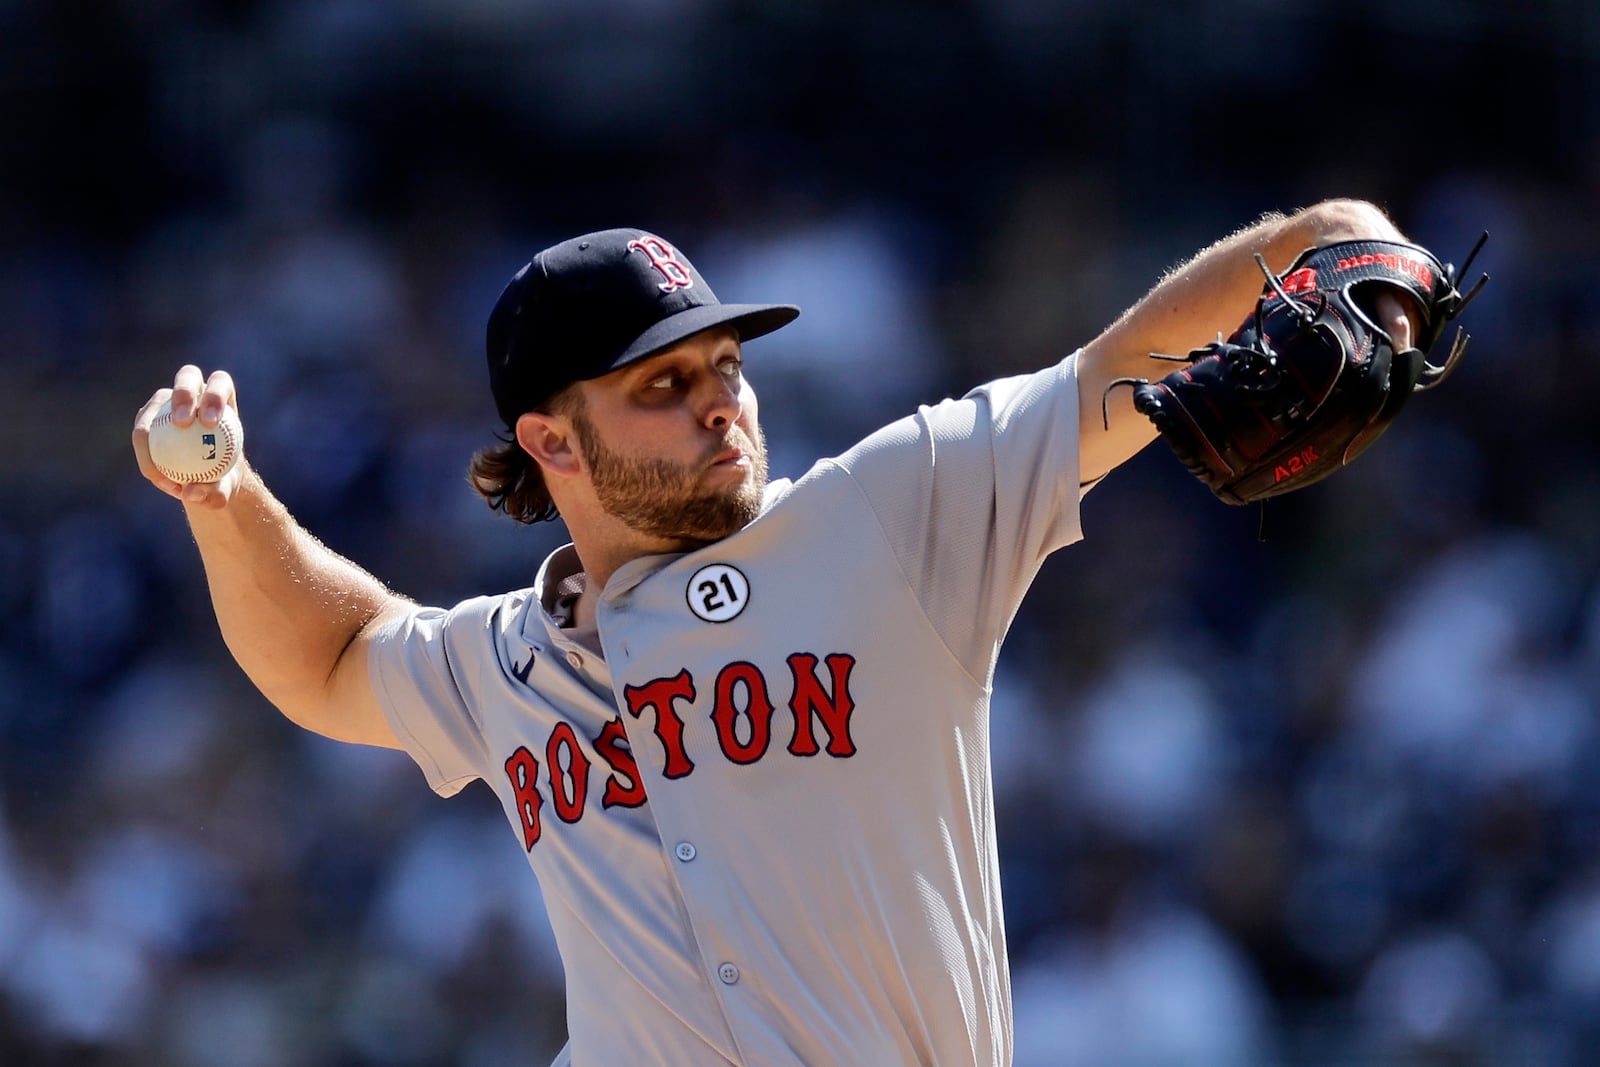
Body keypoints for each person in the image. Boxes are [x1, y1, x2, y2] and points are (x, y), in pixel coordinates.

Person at [132, 203, 1419, 1066]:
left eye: (724, 368)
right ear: (550, 439)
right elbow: (331, 657)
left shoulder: (891, 512)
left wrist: (1355, 247)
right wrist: (224, 496)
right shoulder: (506, 661)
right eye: (663, 386)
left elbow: (1118, 367)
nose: (720, 405)